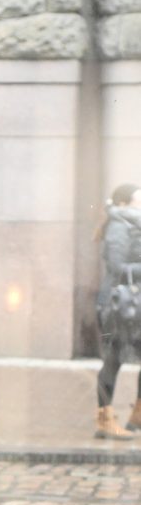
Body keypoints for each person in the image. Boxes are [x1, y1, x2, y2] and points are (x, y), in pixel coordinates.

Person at [95, 183, 141, 439]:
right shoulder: (118, 226)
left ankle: (138, 415)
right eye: (138, 200)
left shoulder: (133, 224)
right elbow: (116, 266)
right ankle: (105, 420)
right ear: (123, 204)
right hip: (117, 305)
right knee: (113, 361)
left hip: (134, 305)